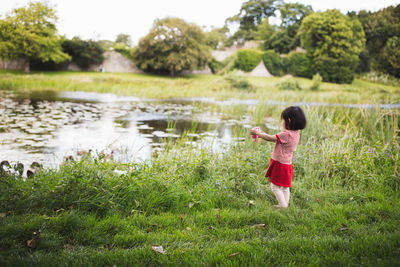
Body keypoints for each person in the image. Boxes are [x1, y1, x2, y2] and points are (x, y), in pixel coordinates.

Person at [250, 106, 306, 208]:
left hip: (280, 164)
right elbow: (272, 137)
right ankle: (285, 204)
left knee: (275, 187)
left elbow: (270, 138)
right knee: (285, 187)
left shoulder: (286, 134)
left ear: (288, 121)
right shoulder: (296, 134)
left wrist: (257, 133)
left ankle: (283, 206)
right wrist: (262, 133)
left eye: (283, 120)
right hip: (287, 164)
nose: (282, 122)